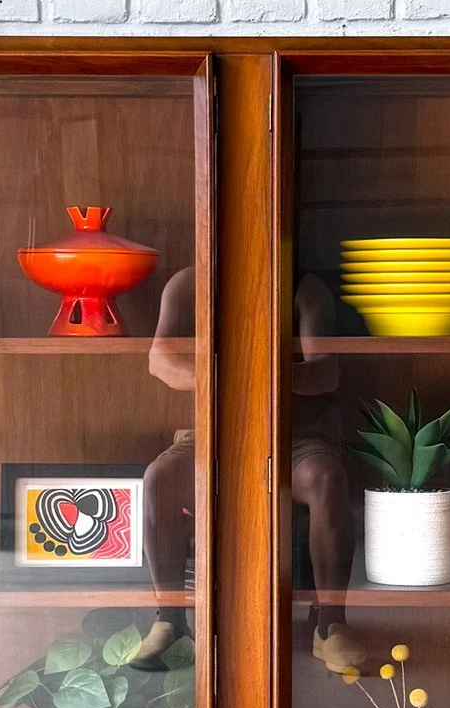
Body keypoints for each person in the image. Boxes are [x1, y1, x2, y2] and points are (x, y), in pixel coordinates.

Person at [128, 266, 364, 672]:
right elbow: (159, 360)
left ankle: (330, 625)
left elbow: (326, 372)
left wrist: (259, 375)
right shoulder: (187, 284)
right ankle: (170, 621)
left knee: (326, 478)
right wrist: (228, 376)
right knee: (159, 479)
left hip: (295, 436)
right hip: (213, 434)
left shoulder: (304, 286)